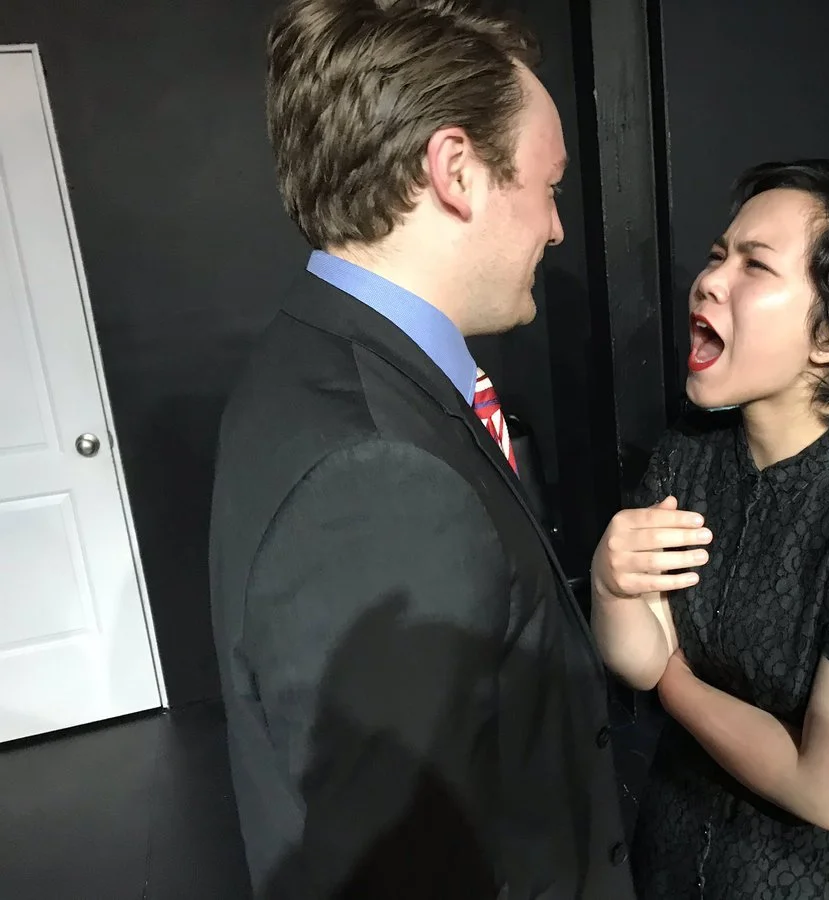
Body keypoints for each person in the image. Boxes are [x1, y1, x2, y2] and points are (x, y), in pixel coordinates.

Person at [208, 1, 634, 896]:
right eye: (549, 186)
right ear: (456, 171)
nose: (556, 228)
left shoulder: (309, 350)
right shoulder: (377, 475)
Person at [589, 159, 829, 899]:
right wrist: (611, 587)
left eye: (754, 265)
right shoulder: (690, 449)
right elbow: (638, 659)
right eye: (717, 255)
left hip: (820, 877)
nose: (709, 280)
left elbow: (827, 788)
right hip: (676, 842)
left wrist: (675, 681)